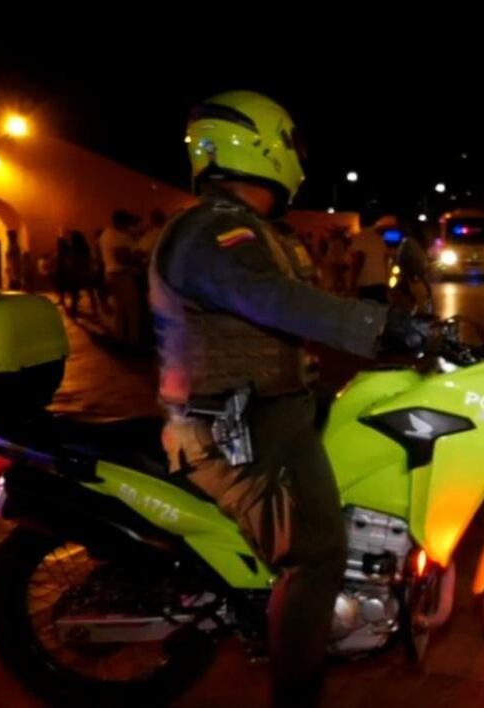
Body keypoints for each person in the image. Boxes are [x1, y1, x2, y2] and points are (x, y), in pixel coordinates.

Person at [151, 91, 428, 707]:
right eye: (292, 144)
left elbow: (294, 310)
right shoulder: (211, 231)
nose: (298, 157)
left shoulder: (252, 231)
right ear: (261, 145)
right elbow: (274, 300)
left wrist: (396, 320)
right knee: (317, 554)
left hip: (268, 410)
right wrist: (377, 326)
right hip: (231, 427)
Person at [99, 210, 143, 344]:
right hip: (122, 275)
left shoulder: (106, 234)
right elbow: (123, 258)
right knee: (132, 308)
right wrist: (138, 257)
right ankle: (134, 339)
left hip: (111, 274)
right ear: (122, 222)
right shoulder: (117, 236)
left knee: (120, 308)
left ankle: (120, 337)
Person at [351, 216, 392, 303]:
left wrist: (353, 282)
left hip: (366, 282)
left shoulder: (360, 237)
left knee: (366, 309)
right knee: (380, 308)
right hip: (381, 281)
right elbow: (386, 259)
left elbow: (359, 259)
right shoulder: (380, 238)